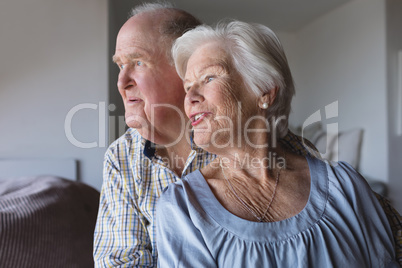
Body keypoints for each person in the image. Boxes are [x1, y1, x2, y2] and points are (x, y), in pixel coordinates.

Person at [93, 2, 402, 267]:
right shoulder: (126, 161)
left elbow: (380, 232)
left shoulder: (312, 165)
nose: (122, 82)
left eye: (137, 62)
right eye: (120, 65)